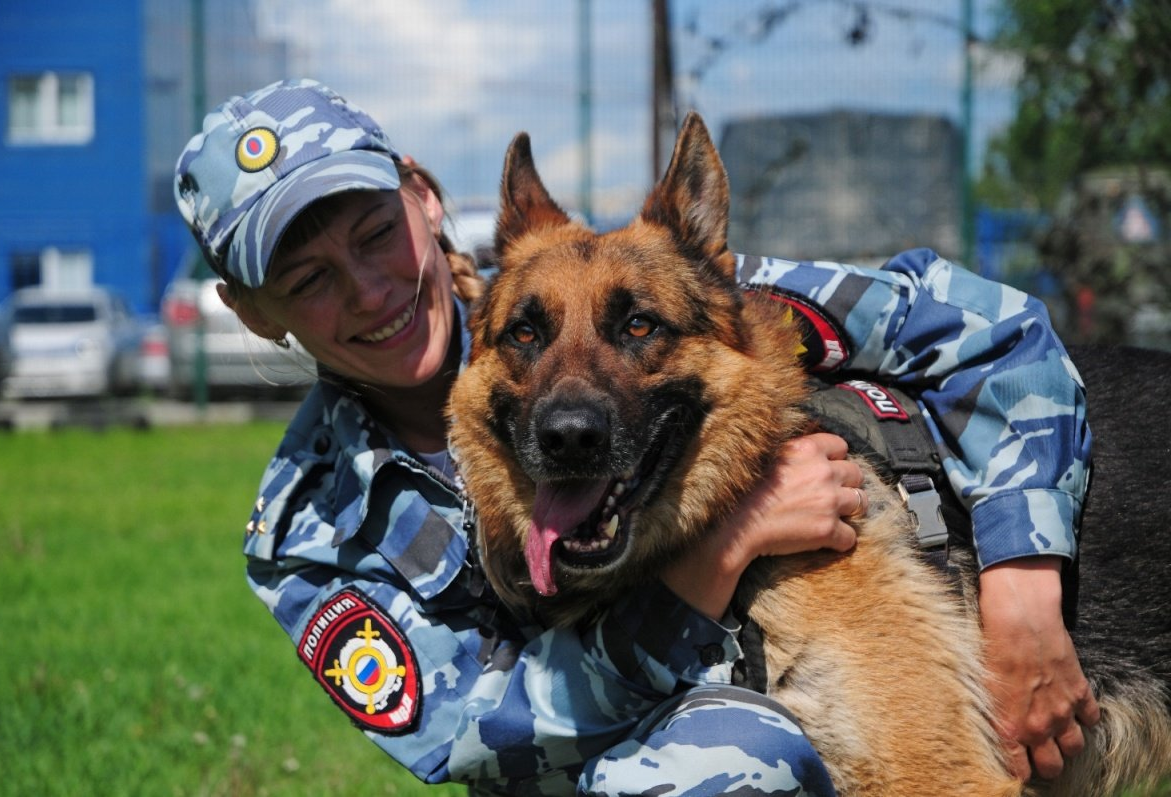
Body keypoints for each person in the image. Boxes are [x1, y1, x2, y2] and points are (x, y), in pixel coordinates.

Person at [174, 79, 1097, 795]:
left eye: (376, 233)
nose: (371, 290)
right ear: (252, 314)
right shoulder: (308, 530)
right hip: (603, 762)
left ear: (423, 198)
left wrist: (1023, 588)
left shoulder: (685, 290)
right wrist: (719, 556)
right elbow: (469, 735)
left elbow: (995, 328)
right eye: (309, 278)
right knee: (724, 763)